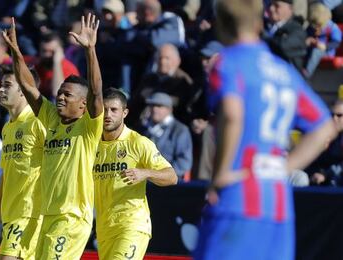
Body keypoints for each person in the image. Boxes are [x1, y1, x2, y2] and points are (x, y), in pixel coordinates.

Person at [194, 0, 336, 259]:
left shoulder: (228, 63)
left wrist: (222, 173)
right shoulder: (283, 71)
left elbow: (232, 112)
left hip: (237, 202)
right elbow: (325, 126)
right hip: (277, 207)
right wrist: (284, 168)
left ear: (221, 25)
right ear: (259, 24)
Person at [2, 14, 104, 260]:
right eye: (59, 93)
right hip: (48, 214)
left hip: (71, 217)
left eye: (67, 95)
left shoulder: (89, 127)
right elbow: (27, 86)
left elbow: (97, 91)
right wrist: (16, 51)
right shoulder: (51, 119)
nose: (60, 97)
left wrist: (90, 51)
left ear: (82, 104)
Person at [94, 88, 177, 260]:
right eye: (104, 110)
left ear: (125, 113)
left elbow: (172, 176)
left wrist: (145, 173)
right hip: (104, 228)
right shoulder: (92, 144)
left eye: (114, 110)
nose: (108, 114)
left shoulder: (138, 143)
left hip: (131, 225)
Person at [0, 65, 46, 259]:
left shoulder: (38, 122)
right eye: (1, 85)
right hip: (11, 214)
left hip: (30, 213)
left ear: (24, 89)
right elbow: (6, 173)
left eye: (7, 85)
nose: (0, 90)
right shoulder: (7, 128)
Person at [138, 92, 193, 180]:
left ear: (169, 109)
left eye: (159, 106)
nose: (155, 109)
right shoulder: (143, 129)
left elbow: (184, 162)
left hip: (169, 182)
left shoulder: (180, 130)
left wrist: (161, 174)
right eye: (152, 105)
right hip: (144, 179)